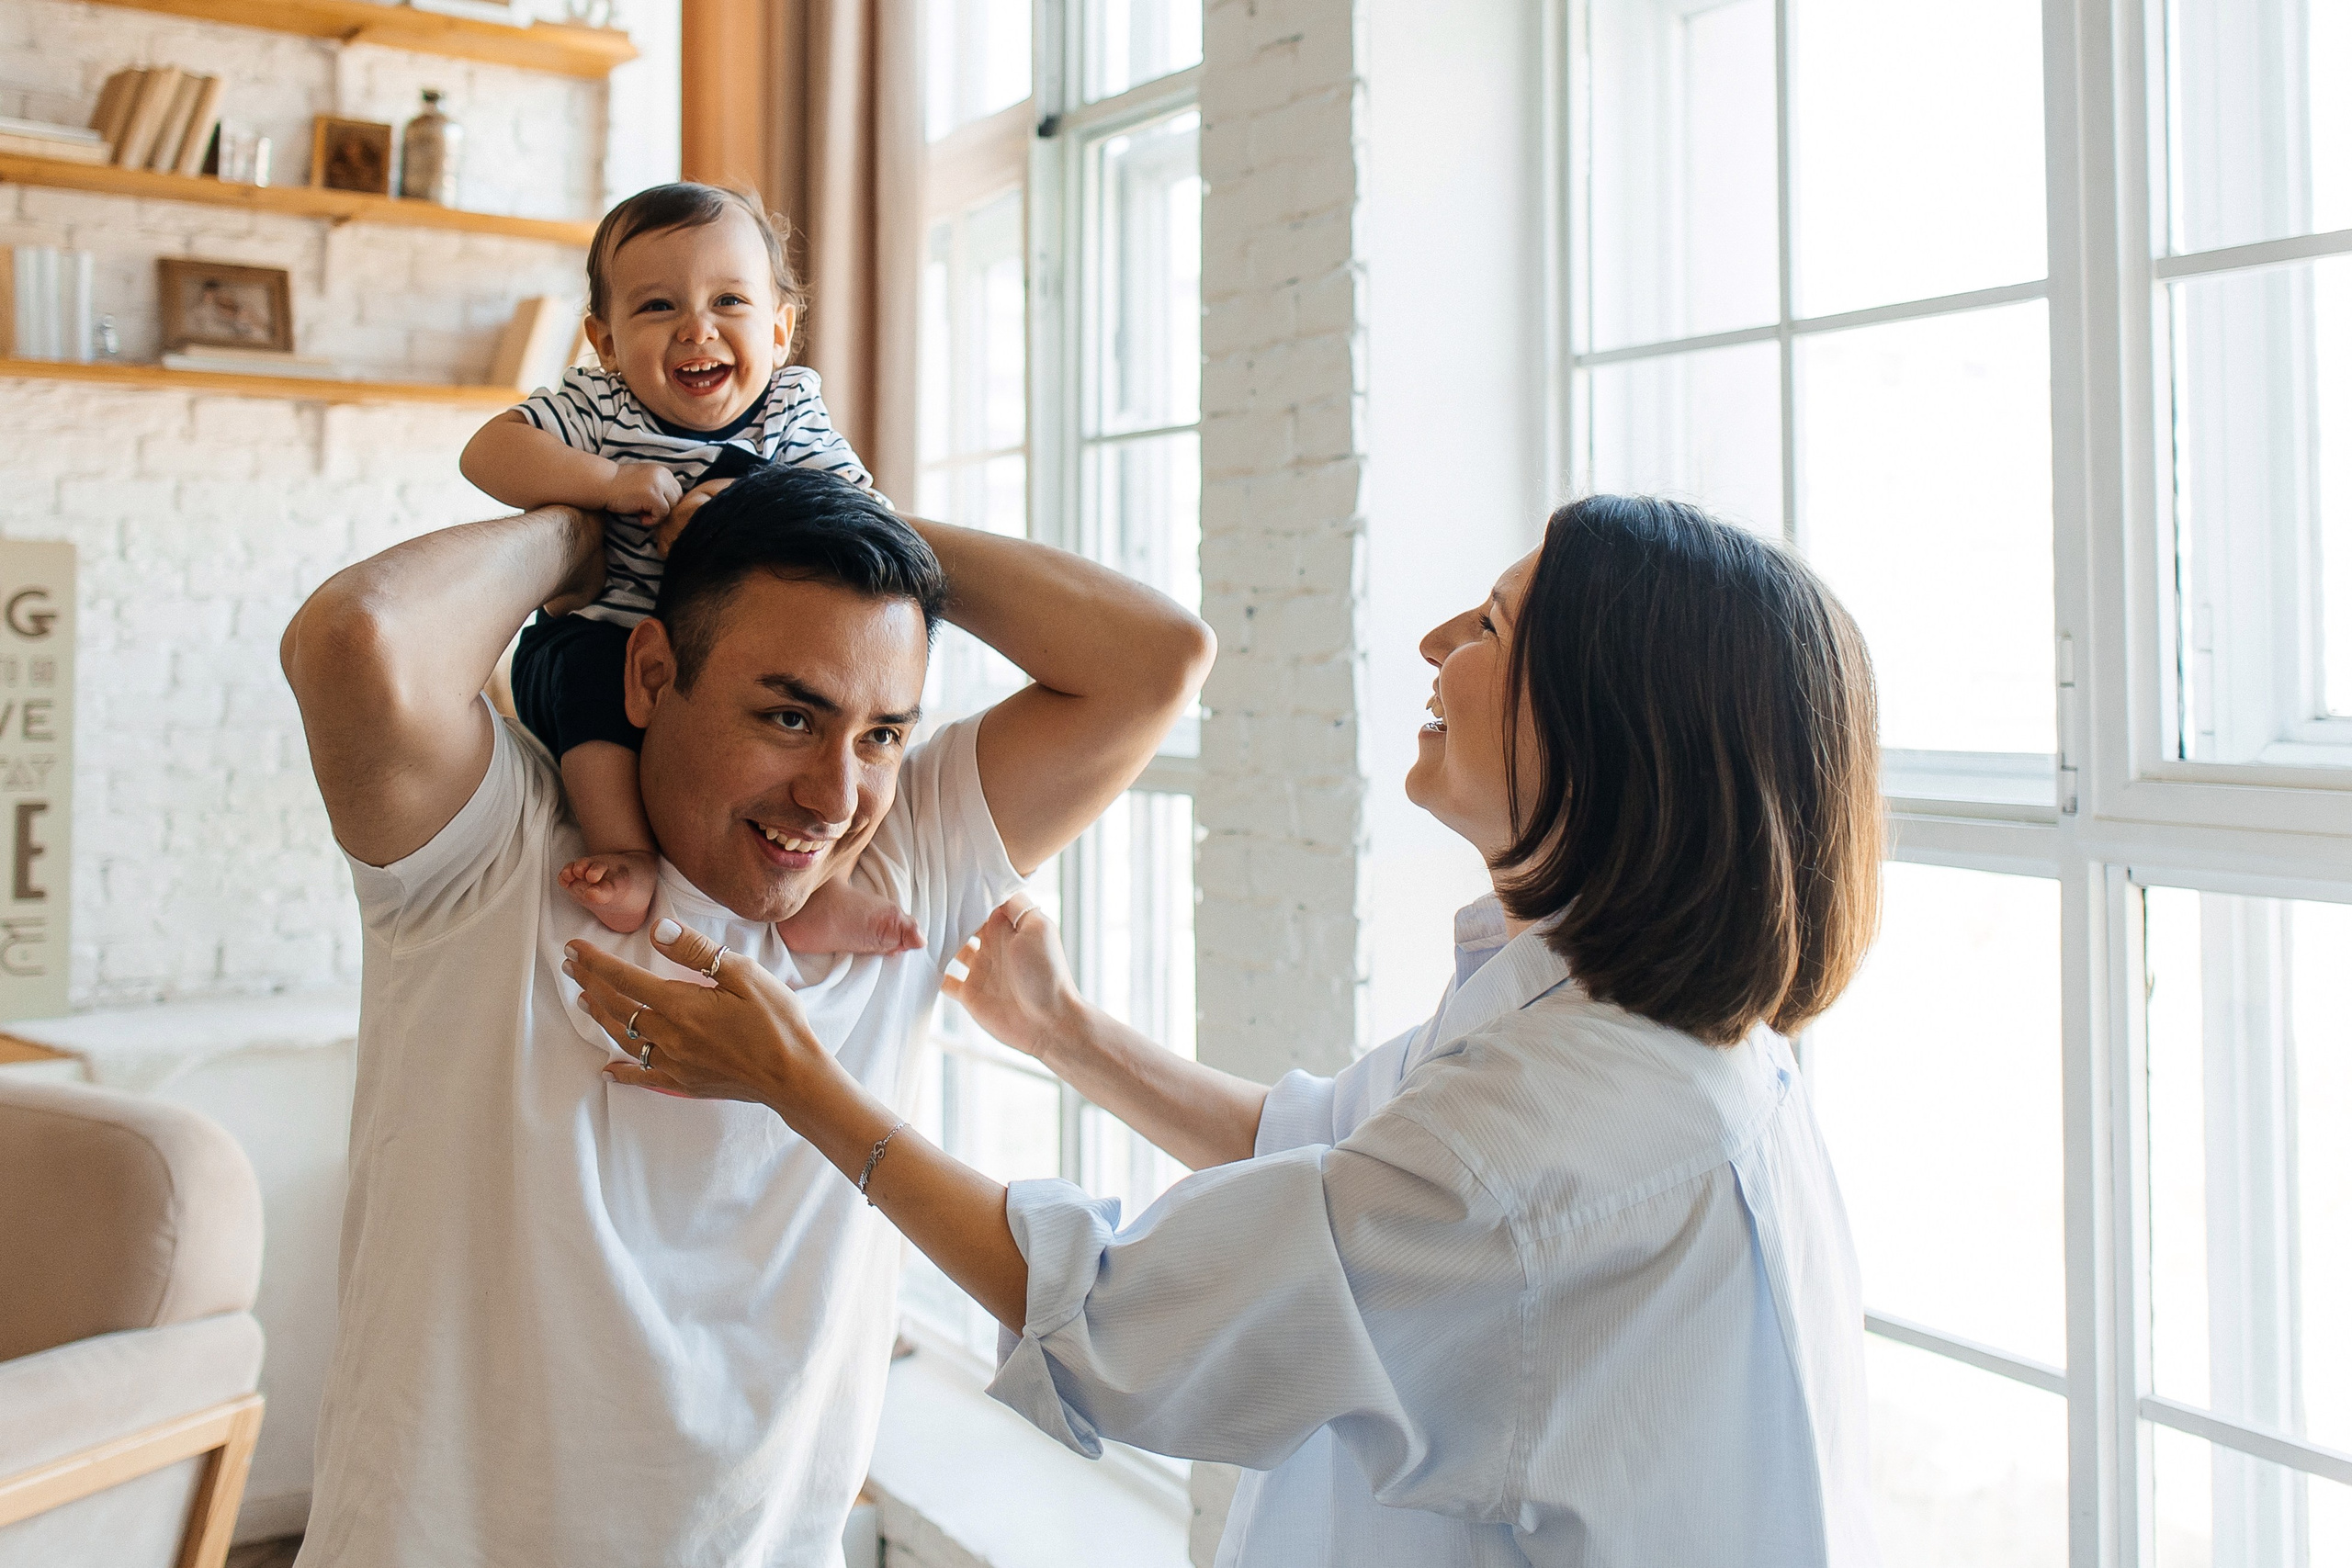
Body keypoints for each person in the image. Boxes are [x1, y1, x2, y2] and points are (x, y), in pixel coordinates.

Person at [565, 495, 1886, 1566]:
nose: (1435, 642)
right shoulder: (1596, 1017)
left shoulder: (1558, 1138)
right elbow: (1313, 1149)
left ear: (1607, 727)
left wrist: (798, 1083)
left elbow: (1124, 1322)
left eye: (1487, 624)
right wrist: (1062, 1028)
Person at [277, 462, 1214, 1567]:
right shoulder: (497, 855)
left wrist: (809, 520)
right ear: (650, 675)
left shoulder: (899, 870)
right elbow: (354, 637)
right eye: (788, 714)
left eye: (882, 736)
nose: (833, 798)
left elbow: (1157, 660)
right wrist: (590, 540)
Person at [460, 180, 910, 952]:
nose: (696, 330)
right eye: (658, 307)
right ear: (605, 341)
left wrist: (744, 505)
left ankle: (822, 892)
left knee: (853, 717)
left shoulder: (790, 412)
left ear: (779, 330)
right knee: (586, 681)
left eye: (729, 302)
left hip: (743, 657)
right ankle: (626, 851)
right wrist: (604, 483)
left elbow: (866, 514)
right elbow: (487, 454)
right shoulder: (600, 407)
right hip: (608, 630)